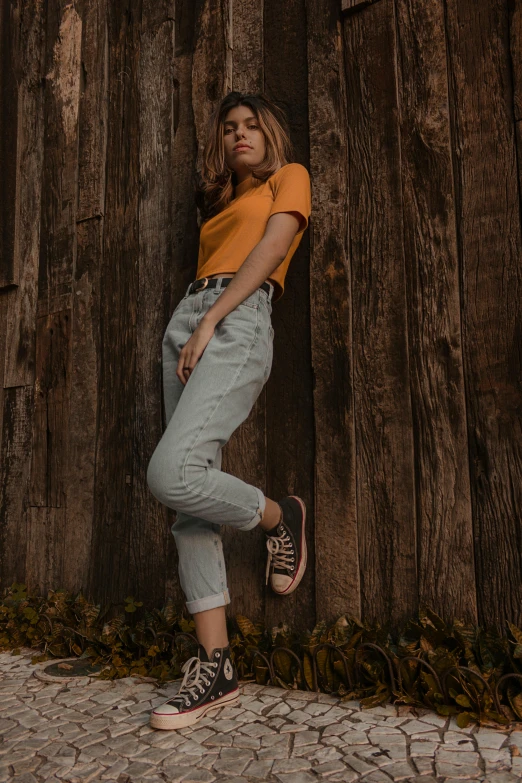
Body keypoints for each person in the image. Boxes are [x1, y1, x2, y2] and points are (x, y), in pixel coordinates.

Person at [146, 91, 312, 730]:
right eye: (229, 129)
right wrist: (192, 321)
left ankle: (277, 516)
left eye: (251, 126)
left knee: (171, 474)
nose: (240, 136)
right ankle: (215, 666)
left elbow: (271, 251)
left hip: (236, 319)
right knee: (188, 503)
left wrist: (210, 320)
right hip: (187, 322)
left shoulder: (289, 180)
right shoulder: (218, 201)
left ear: (271, 134)